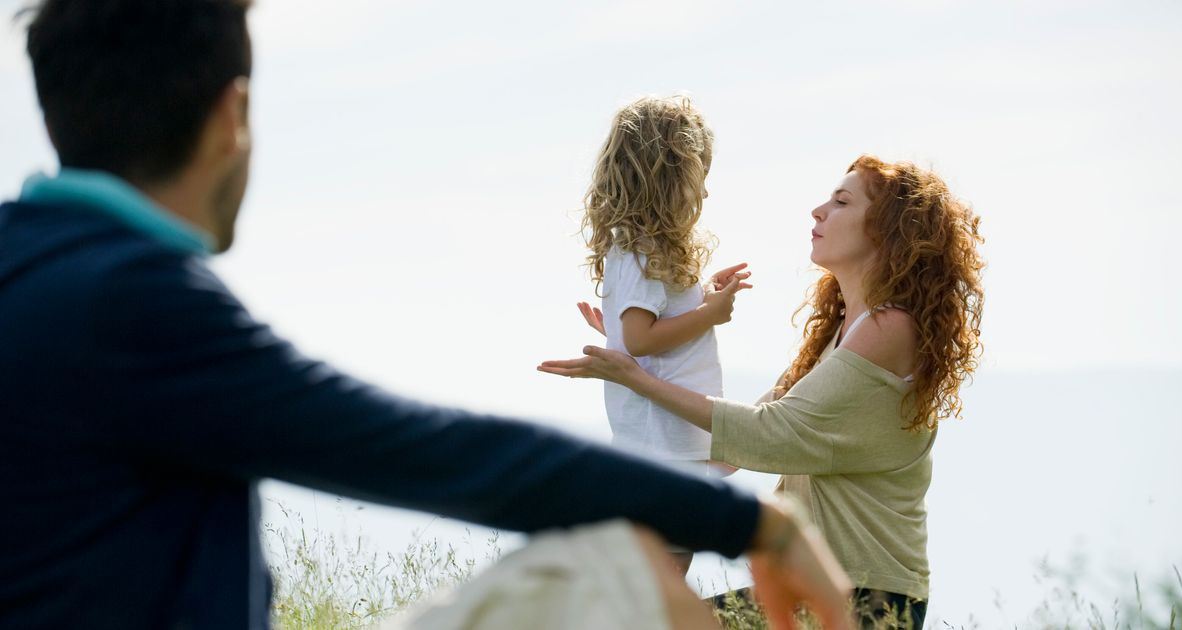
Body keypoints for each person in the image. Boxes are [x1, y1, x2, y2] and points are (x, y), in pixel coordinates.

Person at [0, 1, 855, 629]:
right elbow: (434, 454)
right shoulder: (133, 304)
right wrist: (750, 524)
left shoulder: (33, 266)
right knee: (611, 582)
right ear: (234, 117)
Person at [542, 155, 986, 628]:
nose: (818, 211)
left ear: (888, 229)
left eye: (840, 202)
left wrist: (636, 377)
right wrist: (644, 351)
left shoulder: (889, 328)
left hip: (869, 601)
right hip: (815, 590)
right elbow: (729, 452)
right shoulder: (839, 336)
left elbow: (767, 436)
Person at [576, 95, 751, 573]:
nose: (704, 195)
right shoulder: (639, 247)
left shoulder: (642, 247)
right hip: (663, 445)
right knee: (659, 584)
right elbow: (641, 339)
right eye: (700, 179)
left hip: (669, 441)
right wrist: (710, 314)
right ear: (671, 175)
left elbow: (639, 328)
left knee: (658, 581)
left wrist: (700, 301)